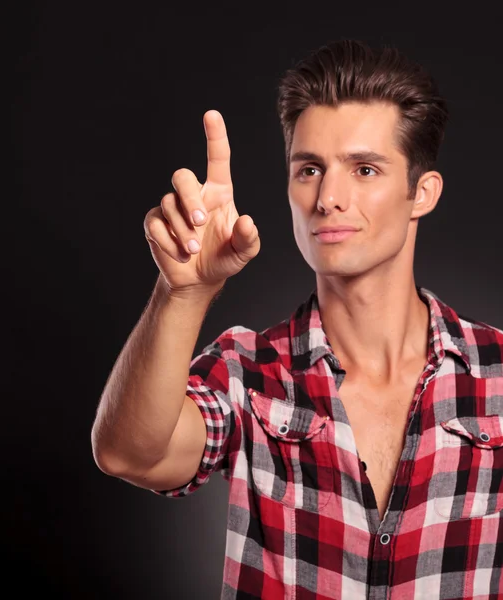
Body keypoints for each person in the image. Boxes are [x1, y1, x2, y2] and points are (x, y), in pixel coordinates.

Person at [91, 39, 503, 599]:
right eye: (310, 169)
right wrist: (183, 292)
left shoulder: (496, 372)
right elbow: (129, 454)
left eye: (364, 169)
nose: (329, 197)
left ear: (421, 193)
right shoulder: (248, 370)